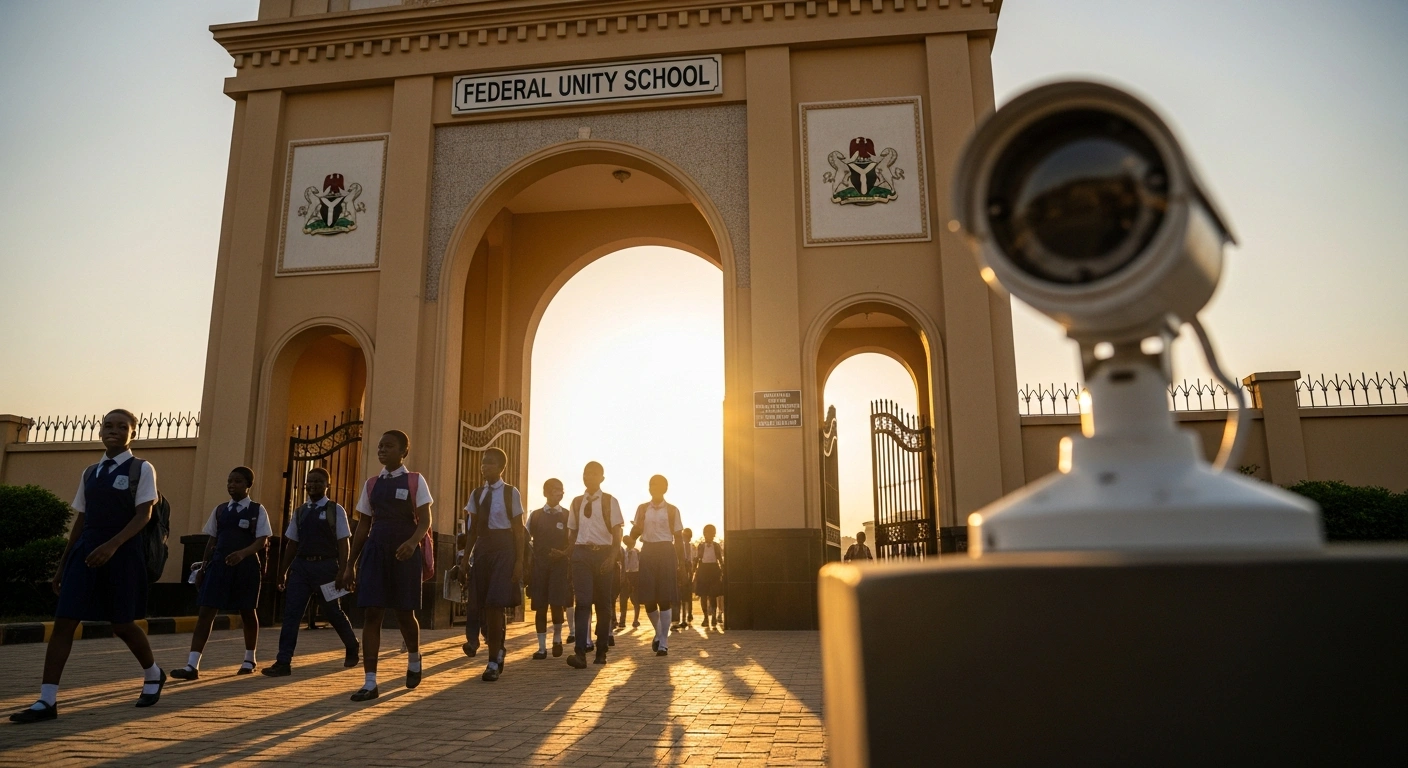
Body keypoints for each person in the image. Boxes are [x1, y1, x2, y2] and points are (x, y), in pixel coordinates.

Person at [10, 410, 165, 723]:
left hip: (121, 554)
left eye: (123, 427)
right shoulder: (91, 472)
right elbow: (81, 519)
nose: (114, 430)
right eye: (109, 425)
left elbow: (143, 515)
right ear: (100, 430)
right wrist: (62, 565)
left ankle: (153, 673)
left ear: (133, 433)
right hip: (85, 555)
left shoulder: (141, 469)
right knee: (64, 622)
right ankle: (47, 700)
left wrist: (112, 546)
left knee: (122, 624)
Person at [342, 430, 433, 702]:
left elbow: (426, 520)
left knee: (405, 613)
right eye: (380, 446)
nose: (382, 450)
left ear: (404, 451)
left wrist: (412, 542)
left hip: (405, 554)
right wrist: (350, 564)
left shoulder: (416, 481)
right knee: (372, 614)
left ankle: (415, 659)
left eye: (389, 446)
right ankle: (370, 682)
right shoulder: (371, 484)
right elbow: (362, 526)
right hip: (375, 552)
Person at [171, 466, 270, 680]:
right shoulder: (220, 510)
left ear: (247, 485)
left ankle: (249, 658)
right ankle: (192, 666)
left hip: (245, 568)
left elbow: (262, 540)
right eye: (229, 481)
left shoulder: (257, 510)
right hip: (219, 566)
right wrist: (203, 567)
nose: (232, 485)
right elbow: (212, 539)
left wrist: (242, 554)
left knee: (247, 611)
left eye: (237, 482)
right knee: (206, 612)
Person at [263, 467, 359, 677]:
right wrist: (283, 571)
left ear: (327, 485)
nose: (313, 485)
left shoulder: (336, 510)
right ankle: (283, 661)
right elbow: (292, 543)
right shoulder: (300, 512)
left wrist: (343, 570)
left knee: (333, 612)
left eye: (318, 481)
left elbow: (344, 543)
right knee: (292, 615)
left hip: (326, 568)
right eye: (310, 481)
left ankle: (352, 646)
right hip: (301, 569)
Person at [460, 448, 525, 682]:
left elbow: (518, 530)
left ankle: (492, 662)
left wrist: (519, 561)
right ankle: (489, 645)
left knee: (496, 604)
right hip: (483, 549)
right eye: (483, 462)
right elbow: (472, 531)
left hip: (504, 549)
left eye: (490, 463)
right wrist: (465, 559)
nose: (484, 466)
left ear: (501, 468)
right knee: (479, 603)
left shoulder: (510, 493)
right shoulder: (477, 494)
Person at [565, 461, 623, 668]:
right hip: (581, 555)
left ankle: (601, 650)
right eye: (585, 473)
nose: (588, 476)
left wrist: (612, 556)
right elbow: (572, 533)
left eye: (593, 474)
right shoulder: (576, 502)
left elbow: (618, 532)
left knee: (603, 604)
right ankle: (580, 653)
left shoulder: (609, 501)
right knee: (582, 602)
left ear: (601, 478)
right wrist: (569, 555)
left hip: (604, 554)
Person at [630, 475, 684, 656]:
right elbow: (636, 530)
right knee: (648, 598)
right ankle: (659, 633)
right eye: (651, 484)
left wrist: (681, 564)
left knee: (665, 597)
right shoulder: (642, 508)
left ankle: (664, 642)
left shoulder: (672, 510)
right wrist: (630, 537)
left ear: (665, 488)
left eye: (658, 485)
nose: (654, 488)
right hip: (648, 551)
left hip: (666, 551)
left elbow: (678, 538)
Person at [527, 478, 571, 660]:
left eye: (561, 489)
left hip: (560, 566)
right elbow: (525, 539)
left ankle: (557, 640)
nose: (559, 492)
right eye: (555, 489)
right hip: (540, 567)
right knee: (540, 606)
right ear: (545, 492)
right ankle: (542, 647)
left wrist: (563, 553)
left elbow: (574, 540)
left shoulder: (568, 515)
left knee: (557, 603)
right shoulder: (536, 516)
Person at [694, 525, 725, 629]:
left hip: (714, 570)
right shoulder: (701, 546)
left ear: (714, 535)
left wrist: (723, 570)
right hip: (703, 569)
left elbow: (720, 559)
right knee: (703, 595)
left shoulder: (716, 546)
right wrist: (694, 571)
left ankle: (714, 617)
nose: (709, 536)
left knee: (713, 595)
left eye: (711, 533)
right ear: (704, 534)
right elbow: (698, 558)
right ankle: (706, 617)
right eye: (707, 533)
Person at [674, 526, 695, 630]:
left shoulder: (692, 547)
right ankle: (681, 618)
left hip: (688, 569)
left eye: (688, 536)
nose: (686, 538)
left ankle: (688, 615)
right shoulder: (677, 546)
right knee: (680, 595)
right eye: (684, 536)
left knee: (687, 596)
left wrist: (691, 572)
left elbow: (693, 559)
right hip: (680, 569)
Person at [620, 534, 641, 629]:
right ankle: (622, 619)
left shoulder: (637, 552)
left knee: (636, 599)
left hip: (635, 575)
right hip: (626, 575)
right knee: (623, 599)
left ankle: (635, 620)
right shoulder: (623, 552)